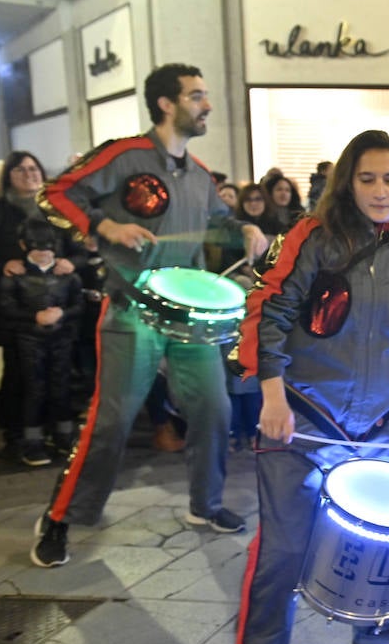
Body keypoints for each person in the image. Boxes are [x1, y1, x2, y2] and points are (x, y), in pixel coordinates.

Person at [222, 129, 389, 644]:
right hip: (301, 417)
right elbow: (266, 308)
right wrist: (271, 392)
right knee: (282, 553)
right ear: (347, 182)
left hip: (378, 422)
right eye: (368, 178)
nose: (380, 191)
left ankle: (381, 632)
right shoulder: (311, 238)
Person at [30, 63, 269, 568]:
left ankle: (205, 505)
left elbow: (220, 221)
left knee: (214, 410)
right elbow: (52, 196)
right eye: (197, 96)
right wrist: (104, 225)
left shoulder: (200, 174)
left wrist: (243, 229)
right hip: (129, 308)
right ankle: (60, 517)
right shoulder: (125, 155)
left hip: (189, 318)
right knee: (112, 421)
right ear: (167, 103)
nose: (207, 105)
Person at [0, 151, 80, 458]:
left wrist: (71, 262)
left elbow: (79, 248)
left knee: (58, 374)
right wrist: (5, 264)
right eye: (20, 170)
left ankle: (57, 431)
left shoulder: (56, 209)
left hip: (57, 305)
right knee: (20, 375)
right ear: (8, 177)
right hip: (16, 306)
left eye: (34, 168)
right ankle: (20, 435)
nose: (29, 174)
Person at [0, 219, 84, 466]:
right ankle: (31, 440)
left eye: (48, 246)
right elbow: (6, 307)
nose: (44, 252)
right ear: (23, 245)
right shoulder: (15, 276)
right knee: (34, 389)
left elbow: (78, 304)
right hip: (29, 340)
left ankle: (64, 435)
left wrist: (63, 314)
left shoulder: (68, 276)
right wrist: (34, 316)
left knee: (61, 386)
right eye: (37, 247)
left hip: (61, 338)